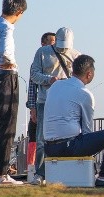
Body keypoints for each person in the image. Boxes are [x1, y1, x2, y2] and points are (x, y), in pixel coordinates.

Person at [42, 54, 104, 188]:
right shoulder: (85, 94)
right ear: (89, 74)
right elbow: (87, 130)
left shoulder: (55, 86)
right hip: (69, 147)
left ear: (73, 70)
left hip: (49, 147)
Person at [0, 0, 27, 185]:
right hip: (7, 78)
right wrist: (11, 62)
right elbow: (6, 50)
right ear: (19, 12)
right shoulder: (7, 29)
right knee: (8, 126)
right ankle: (1, 174)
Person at [29, 27, 79, 181]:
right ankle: (40, 174)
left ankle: (64, 172)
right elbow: (34, 75)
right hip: (45, 101)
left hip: (68, 102)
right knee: (42, 140)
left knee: (69, 136)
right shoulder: (42, 53)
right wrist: (49, 79)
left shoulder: (77, 55)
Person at [25, 31, 55, 178]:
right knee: (40, 139)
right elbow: (32, 86)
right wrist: (32, 108)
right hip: (42, 102)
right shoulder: (39, 60)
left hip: (53, 102)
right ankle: (39, 172)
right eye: (51, 42)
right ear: (43, 44)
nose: (54, 45)